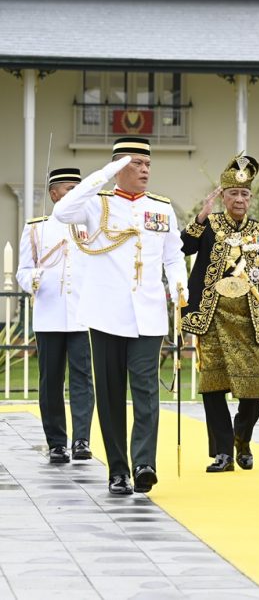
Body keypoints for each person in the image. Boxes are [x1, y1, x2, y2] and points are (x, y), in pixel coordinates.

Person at [53, 137, 188, 496]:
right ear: (119, 166)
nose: (145, 170)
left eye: (148, 164)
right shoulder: (96, 203)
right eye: (137, 164)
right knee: (110, 393)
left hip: (148, 313)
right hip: (106, 313)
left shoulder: (161, 208)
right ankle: (117, 470)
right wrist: (105, 173)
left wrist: (179, 285)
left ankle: (144, 464)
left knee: (146, 390)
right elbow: (62, 212)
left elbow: (173, 255)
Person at [180, 155, 259, 473]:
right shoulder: (208, 226)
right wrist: (200, 216)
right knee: (212, 388)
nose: (239, 199)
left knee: (253, 393)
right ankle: (222, 453)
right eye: (233, 193)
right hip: (212, 318)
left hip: (250, 322)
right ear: (223, 196)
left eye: (244, 194)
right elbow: (183, 247)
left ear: (250, 198)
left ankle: (242, 437)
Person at [17, 167, 94, 464]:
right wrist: (33, 279)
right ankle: (57, 443)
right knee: (51, 380)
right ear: (54, 194)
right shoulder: (37, 228)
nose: (76, 194)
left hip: (81, 314)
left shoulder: (90, 225)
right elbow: (23, 271)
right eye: (69, 189)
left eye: (78, 188)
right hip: (49, 313)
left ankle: (81, 439)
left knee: (83, 378)